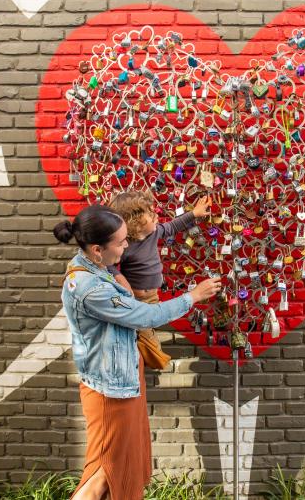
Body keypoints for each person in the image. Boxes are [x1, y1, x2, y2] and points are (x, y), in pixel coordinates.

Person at [53, 204, 221, 500]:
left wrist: (119, 278)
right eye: (120, 242)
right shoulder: (91, 287)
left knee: (118, 468)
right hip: (110, 392)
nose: (127, 246)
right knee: (103, 473)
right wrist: (192, 296)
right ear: (96, 249)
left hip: (122, 381)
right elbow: (145, 317)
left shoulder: (95, 268)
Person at [107, 190, 212, 367]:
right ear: (135, 222)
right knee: (147, 338)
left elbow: (174, 226)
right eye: (150, 213)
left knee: (145, 333)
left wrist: (195, 213)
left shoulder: (153, 233)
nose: (156, 214)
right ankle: (152, 362)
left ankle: (143, 356)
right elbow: (108, 265)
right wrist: (119, 277)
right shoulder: (125, 245)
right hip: (137, 299)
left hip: (152, 297)